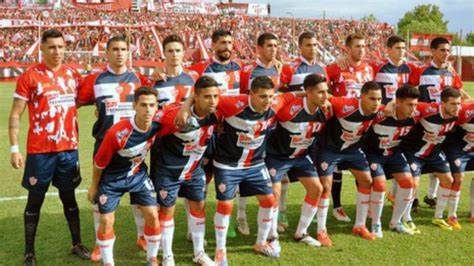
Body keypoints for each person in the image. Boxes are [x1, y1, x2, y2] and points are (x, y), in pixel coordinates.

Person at [9, 29, 90, 266]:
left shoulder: (73, 75)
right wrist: (14, 148)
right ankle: (29, 252)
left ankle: (77, 243)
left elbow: (86, 98)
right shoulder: (29, 77)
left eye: (61, 47)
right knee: (35, 201)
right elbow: (15, 114)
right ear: (42, 49)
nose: (57, 52)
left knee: (70, 199)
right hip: (40, 151)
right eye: (52, 47)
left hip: (68, 149)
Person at [77, 35, 151, 262]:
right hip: (105, 144)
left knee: (139, 194)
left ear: (129, 53)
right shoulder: (95, 79)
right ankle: (101, 243)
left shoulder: (138, 79)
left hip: (134, 145)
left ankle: (142, 236)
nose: (120, 53)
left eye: (123, 49)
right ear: (107, 53)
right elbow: (78, 101)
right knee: (101, 196)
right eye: (115, 49)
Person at [87, 87, 162, 266]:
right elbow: (99, 164)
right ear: (134, 106)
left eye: (152, 105)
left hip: (137, 175)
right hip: (112, 179)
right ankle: (108, 262)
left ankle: (152, 258)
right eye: (143, 105)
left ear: (157, 107)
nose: (148, 110)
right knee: (106, 220)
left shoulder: (159, 123)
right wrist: (93, 186)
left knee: (152, 214)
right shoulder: (117, 133)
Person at [151, 76, 220, 266]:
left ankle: (199, 253)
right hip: (169, 172)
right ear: (196, 97)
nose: (212, 100)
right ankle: (167, 256)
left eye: (215, 96)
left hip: (194, 171)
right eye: (207, 96)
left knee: (198, 207)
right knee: (167, 211)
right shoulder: (173, 115)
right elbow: (149, 127)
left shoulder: (217, 111)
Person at [265, 74, 331, 246]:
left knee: (317, 188)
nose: (326, 96)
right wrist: (296, 94)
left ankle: (301, 233)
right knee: (275, 193)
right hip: (277, 156)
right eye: (320, 92)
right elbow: (273, 102)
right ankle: (272, 236)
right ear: (308, 92)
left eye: (326, 92)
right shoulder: (288, 109)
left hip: (301, 156)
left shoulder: (326, 109)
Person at [315, 81, 383, 245]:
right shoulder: (345, 104)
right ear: (362, 97)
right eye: (372, 99)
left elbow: (394, 105)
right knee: (325, 187)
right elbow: (328, 98)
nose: (377, 103)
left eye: (379, 99)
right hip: (329, 148)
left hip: (352, 150)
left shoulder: (380, 110)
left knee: (367, 181)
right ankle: (321, 230)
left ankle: (359, 225)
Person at [277, 31, 329, 231]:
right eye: (308, 45)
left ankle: (313, 215)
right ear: (300, 47)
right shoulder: (290, 67)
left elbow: (326, 92)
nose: (312, 48)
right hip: (291, 124)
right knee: (282, 175)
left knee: (313, 172)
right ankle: (281, 212)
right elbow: (281, 92)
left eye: (315, 45)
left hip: (312, 126)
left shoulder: (321, 68)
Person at [409, 37, 466, 209]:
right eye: (442, 50)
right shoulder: (421, 71)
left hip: (446, 124)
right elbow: (410, 91)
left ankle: (431, 195)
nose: (446, 53)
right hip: (424, 122)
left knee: (440, 157)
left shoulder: (451, 73)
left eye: (448, 50)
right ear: (432, 51)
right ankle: (413, 198)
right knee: (416, 157)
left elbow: (458, 92)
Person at [325, 33, 375, 223]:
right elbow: (321, 83)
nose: (361, 50)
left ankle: (364, 204)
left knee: (359, 165)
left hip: (362, 124)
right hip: (339, 123)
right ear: (347, 49)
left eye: (363, 46)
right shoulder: (336, 67)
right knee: (336, 166)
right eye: (357, 46)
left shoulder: (370, 68)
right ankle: (337, 206)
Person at [400, 88, 461, 232]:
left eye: (458, 104)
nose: (457, 107)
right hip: (414, 152)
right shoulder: (427, 109)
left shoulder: (459, 114)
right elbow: (403, 106)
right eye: (452, 104)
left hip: (434, 153)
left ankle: (438, 217)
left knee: (448, 180)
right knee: (413, 183)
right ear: (442, 103)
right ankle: (406, 217)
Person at [363, 85, 421, 236]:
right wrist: (389, 105)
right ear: (398, 102)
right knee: (380, 184)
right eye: (409, 105)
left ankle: (396, 222)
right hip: (374, 153)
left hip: (395, 153)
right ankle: (376, 223)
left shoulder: (416, 115)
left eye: (415, 105)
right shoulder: (382, 113)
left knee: (409, 183)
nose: (413, 109)